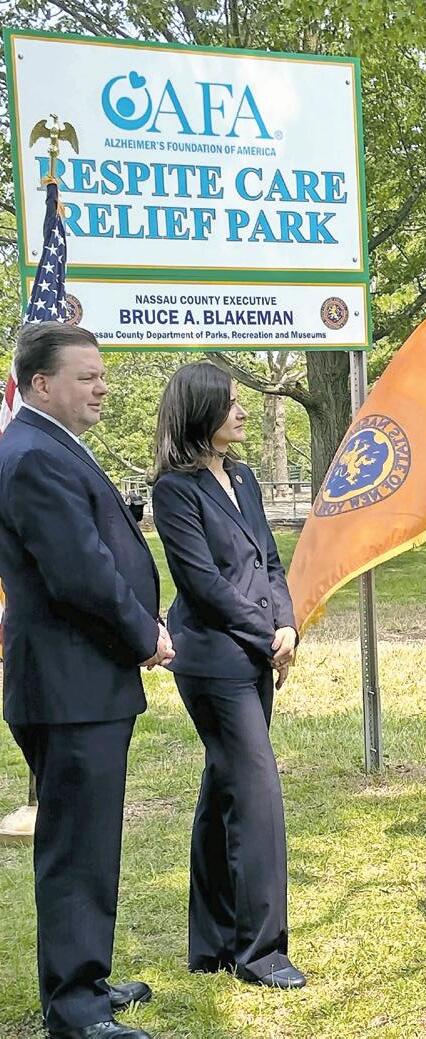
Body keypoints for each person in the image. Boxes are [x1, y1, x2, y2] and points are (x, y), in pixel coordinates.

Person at [0, 322, 171, 1039]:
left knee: (89, 841)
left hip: (81, 680)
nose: (102, 387)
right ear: (41, 384)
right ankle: (75, 1008)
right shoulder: (33, 455)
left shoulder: (50, 445)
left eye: (102, 374)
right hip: (69, 683)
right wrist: (144, 633)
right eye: (87, 376)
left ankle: (86, 978)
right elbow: (80, 573)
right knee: (76, 850)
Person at [150, 363, 304, 988]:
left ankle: (211, 940)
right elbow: (203, 584)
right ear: (199, 413)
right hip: (213, 661)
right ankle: (261, 951)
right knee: (257, 793)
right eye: (230, 403)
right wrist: (266, 634)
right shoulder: (174, 489)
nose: (241, 411)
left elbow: (268, 560)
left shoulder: (242, 476)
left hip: (258, 650)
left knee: (225, 788)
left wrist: (287, 623)